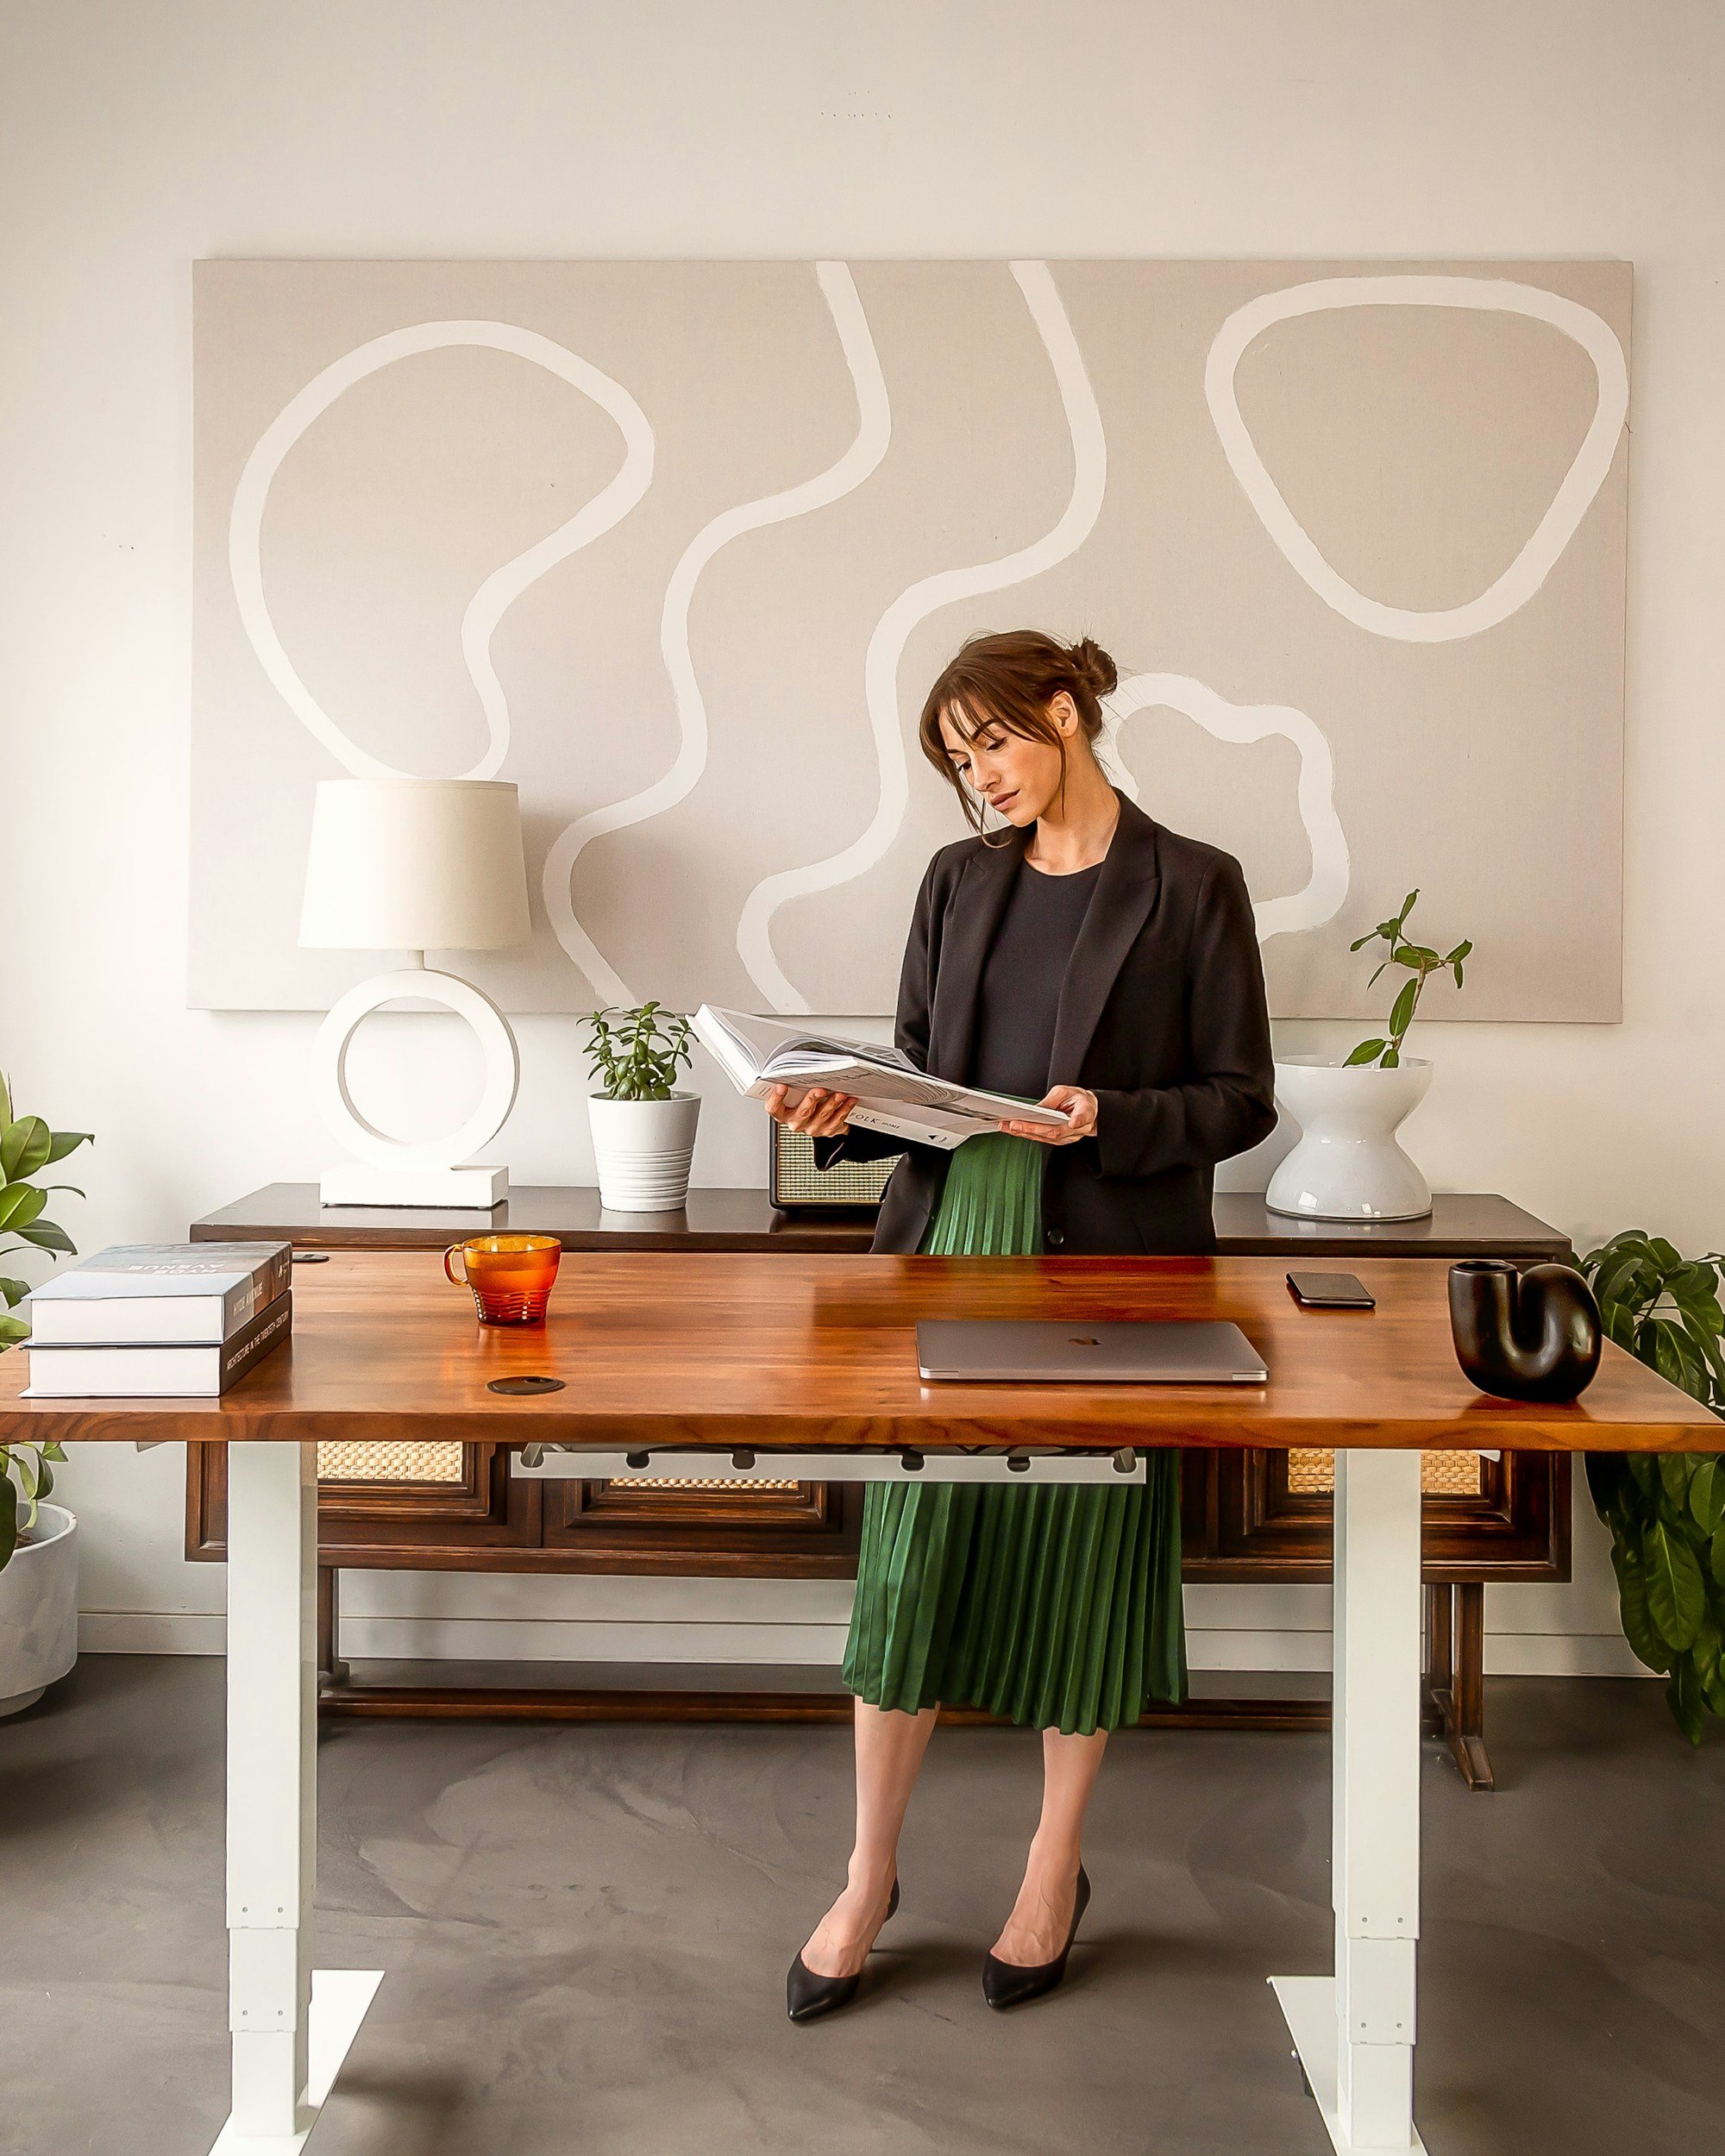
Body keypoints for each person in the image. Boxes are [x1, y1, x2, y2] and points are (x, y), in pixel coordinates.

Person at [766, 629, 1276, 2021]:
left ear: (1063, 714)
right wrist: (842, 1106)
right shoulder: (955, 882)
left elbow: (1241, 1099)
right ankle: (870, 1873)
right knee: (910, 1568)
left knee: (1082, 1566)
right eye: (956, 759)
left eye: (991, 742)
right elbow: (923, 1075)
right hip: (952, 1249)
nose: (978, 776)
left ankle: (1054, 1867)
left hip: (1111, 1263)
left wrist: (1112, 1119)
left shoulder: (1192, 885)